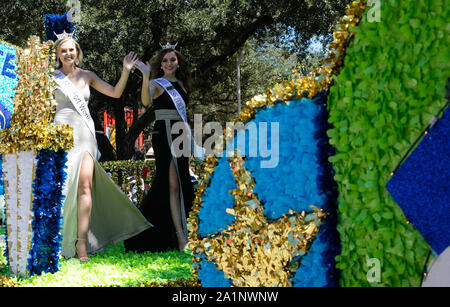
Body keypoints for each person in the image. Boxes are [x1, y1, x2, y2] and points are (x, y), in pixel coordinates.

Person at [53, 34, 152, 261]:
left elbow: (116, 93)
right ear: (58, 54)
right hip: (61, 134)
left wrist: (126, 70)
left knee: (85, 187)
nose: (69, 54)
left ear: (77, 52)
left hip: (85, 135)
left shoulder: (88, 76)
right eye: (64, 50)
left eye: (72, 50)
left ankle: (81, 243)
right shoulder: (51, 77)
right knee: (63, 186)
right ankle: (57, 239)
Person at [124, 45, 195, 252]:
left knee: (182, 181)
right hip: (163, 134)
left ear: (178, 62)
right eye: (165, 61)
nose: (169, 63)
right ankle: (181, 238)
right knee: (170, 183)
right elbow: (146, 102)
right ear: (160, 64)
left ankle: (183, 232)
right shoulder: (156, 83)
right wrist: (146, 76)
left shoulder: (182, 84)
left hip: (181, 133)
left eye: (172, 60)